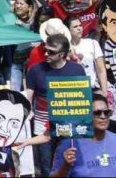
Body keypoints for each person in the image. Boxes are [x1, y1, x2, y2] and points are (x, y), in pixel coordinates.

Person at [26, 33, 87, 176]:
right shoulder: (35, 70)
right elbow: (29, 96)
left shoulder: (77, 70)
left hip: (69, 125)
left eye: (51, 52)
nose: (46, 53)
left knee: (71, 164)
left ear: (63, 54)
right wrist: (28, 110)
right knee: (46, 168)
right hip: (43, 126)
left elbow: (84, 99)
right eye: (45, 49)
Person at [51, 93, 116, 177]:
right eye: (97, 113)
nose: (103, 116)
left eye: (106, 112)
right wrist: (65, 166)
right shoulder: (71, 143)